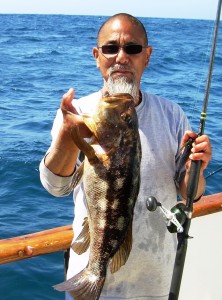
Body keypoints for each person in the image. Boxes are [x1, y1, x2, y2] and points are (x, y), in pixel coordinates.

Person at [39, 13, 212, 300]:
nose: (121, 57)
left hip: (154, 280)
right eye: (110, 48)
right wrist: (69, 137)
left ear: (147, 56)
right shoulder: (77, 113)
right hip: (92, 281)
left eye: (132, 48)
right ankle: (95, 271)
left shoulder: (172, 115)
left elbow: (189, 193)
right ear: (97, 56)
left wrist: (197, 169)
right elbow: (56, 187)